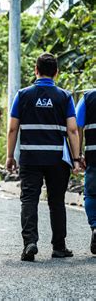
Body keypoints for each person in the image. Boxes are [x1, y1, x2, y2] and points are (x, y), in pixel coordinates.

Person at [6, 53, 81, 262]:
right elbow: (73, 130)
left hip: (30, 158)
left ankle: (30, 243)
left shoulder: (22, 95)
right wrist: (76, 159)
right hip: (57, 159)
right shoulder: (64, 97)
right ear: (56, 72)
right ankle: (59, 246)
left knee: (29, 199)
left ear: (35, 70)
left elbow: (13, 129)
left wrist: (10, 156)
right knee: (56, 201)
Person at [76, 89, 96, 254]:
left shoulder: (88, 97)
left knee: (91, 194)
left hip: (94, 155)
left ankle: (95, 226)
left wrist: (78, 154)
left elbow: (76, 126)